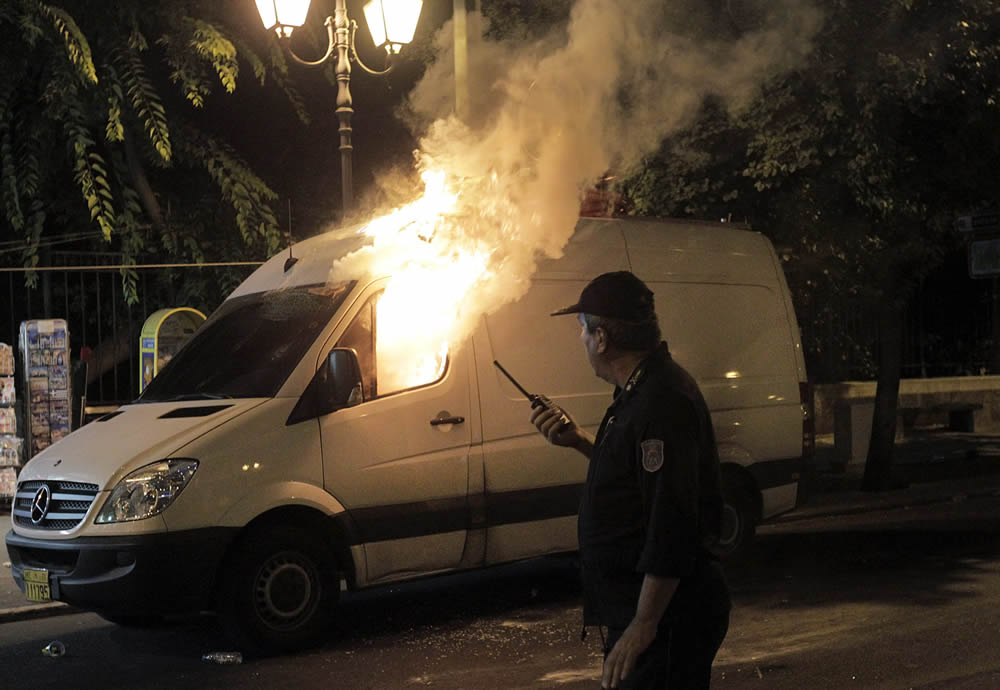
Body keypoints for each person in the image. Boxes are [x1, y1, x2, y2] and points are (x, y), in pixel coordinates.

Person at [530, 271, 731, 689]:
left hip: (668, 620)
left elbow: (671, 520)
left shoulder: (661, 402)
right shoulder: (641, 392)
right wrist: (579, 440)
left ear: (602, 338)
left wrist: (644, 623)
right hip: (651, 613)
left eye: (582, 329)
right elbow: (638, 476)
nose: (581, 339)